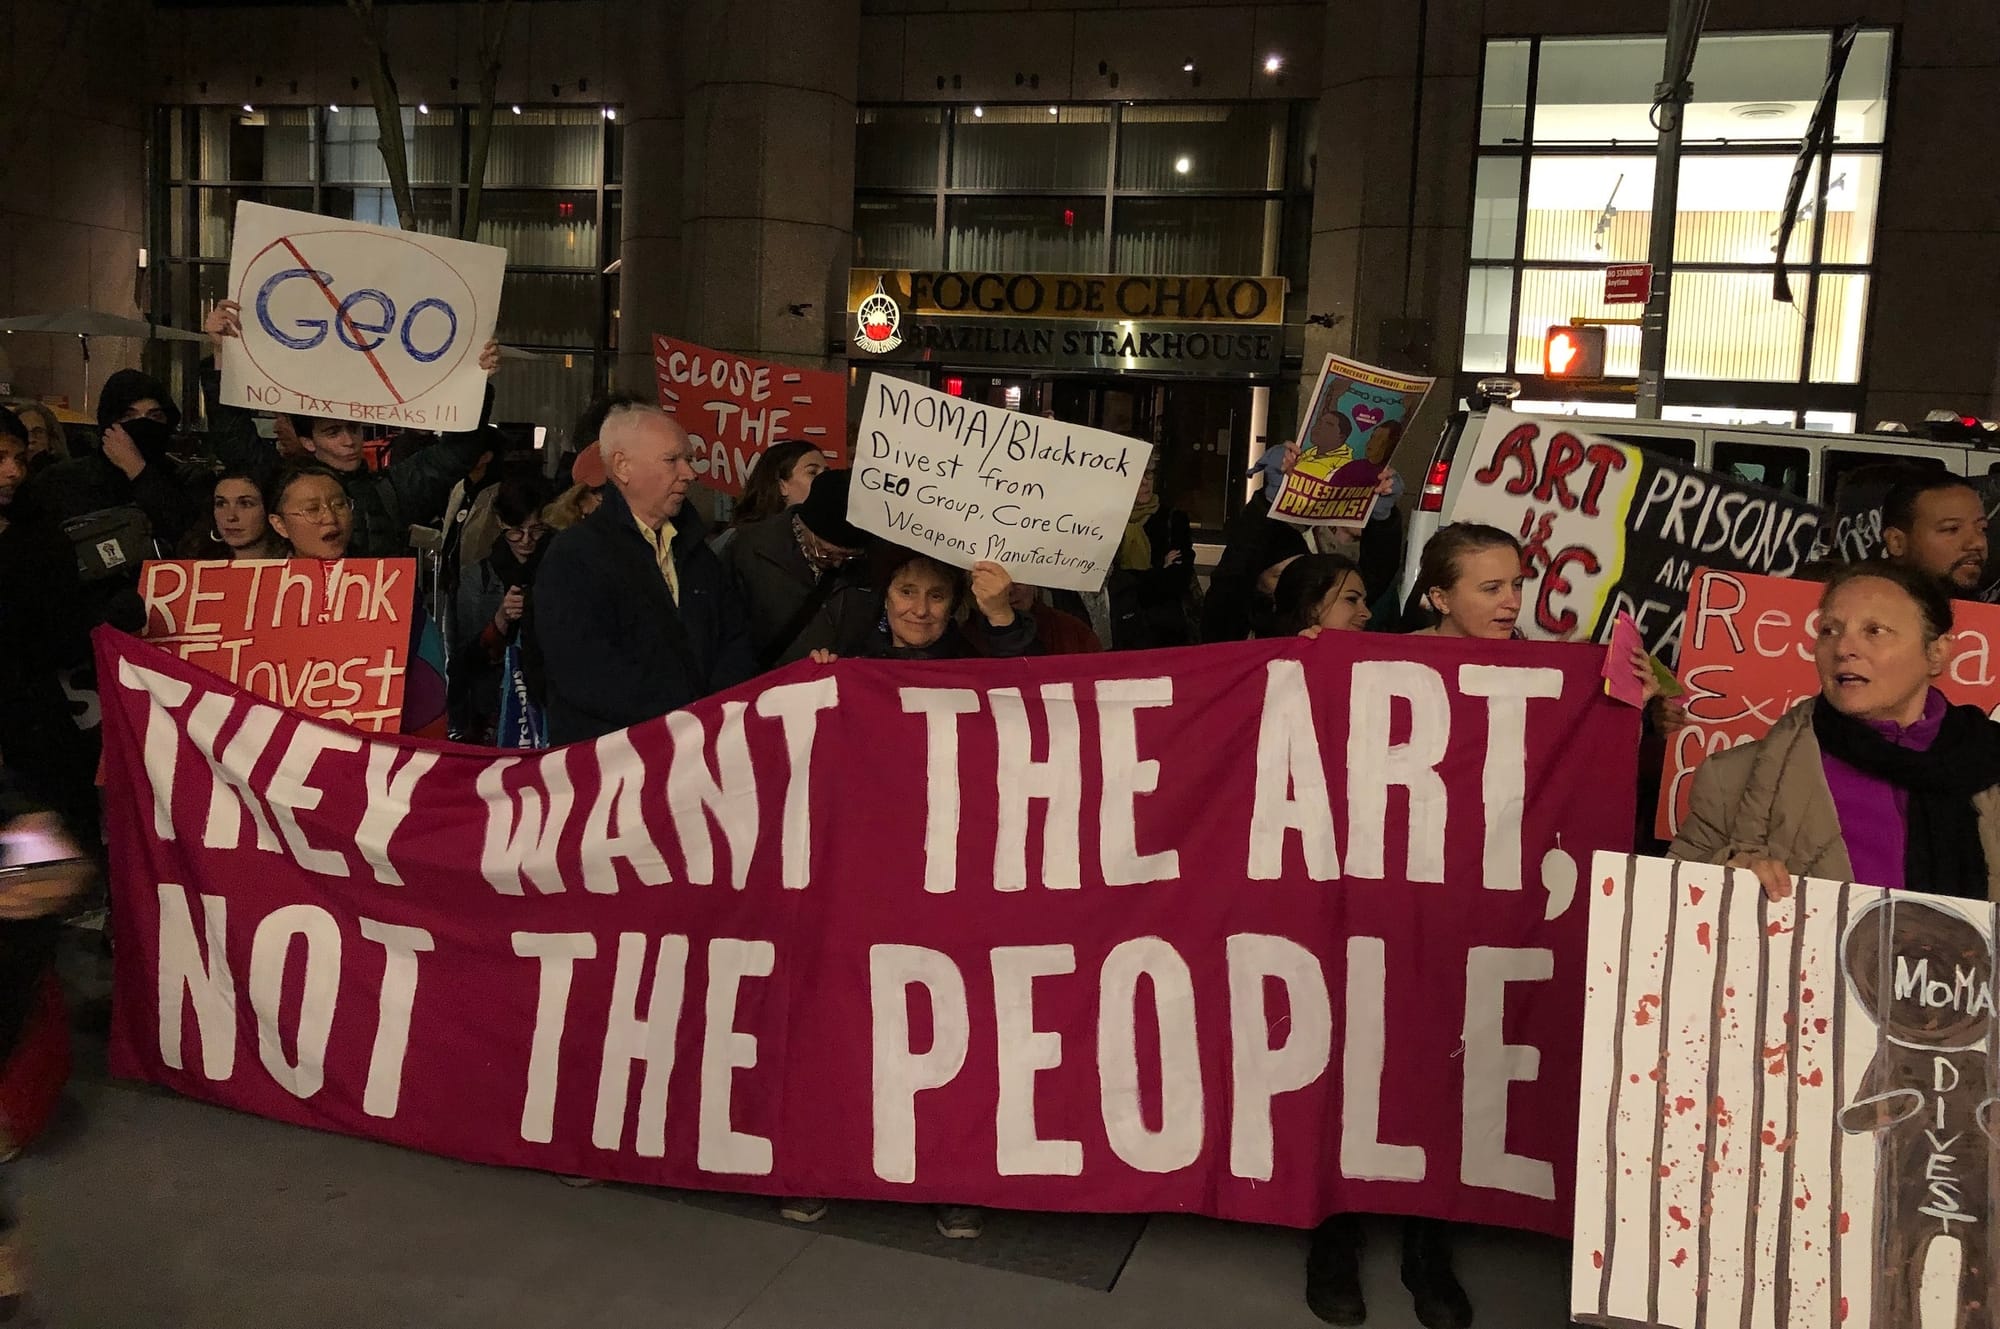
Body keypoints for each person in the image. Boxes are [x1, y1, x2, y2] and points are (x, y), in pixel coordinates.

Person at [1671, 561, 2000, 901]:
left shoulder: (1990, 764)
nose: (1843, 649)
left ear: (1936, 652)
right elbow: (1666, 902)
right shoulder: (1730, 781)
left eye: (1874, 631)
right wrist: (1722, 881)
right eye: (1829, 630)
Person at [201, 299, 501, 557]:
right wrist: (222, 355)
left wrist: (475, 383)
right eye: (333, 432)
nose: (349, 441)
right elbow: (233, 440)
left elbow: (458, 453)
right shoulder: (281, 482)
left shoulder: (393, 489)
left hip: (376, 605)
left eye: (354, 429)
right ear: (307, 441)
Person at [534, 403, 755, 746]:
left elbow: (734, 640)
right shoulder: (575, 554)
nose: (690, 473)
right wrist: (684, 715)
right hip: (615, 757)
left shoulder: (697, 553)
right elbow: (584, 669)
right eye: (672, 460)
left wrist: (713, 714)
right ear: (623, 467)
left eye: (688, 459)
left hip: (698, 749)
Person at [0, 409, 98, 845]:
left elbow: (63, 634)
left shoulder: (39, 534)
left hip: (31, 725)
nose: (13, 472)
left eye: (20, 458)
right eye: (1, 458)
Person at [24, 368, 200, 551]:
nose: (142, 423)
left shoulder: (187, 479)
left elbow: (188, 535)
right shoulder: (61, 481)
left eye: (154, 416)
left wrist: (138, 471)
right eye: (128, 416)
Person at [725, 467, 877, 669]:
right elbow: (727, 636)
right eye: (826, 552)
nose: (838, 563)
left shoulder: (872, 562)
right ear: (805, 527)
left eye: (848, 556)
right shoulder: (750, 551)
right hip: (770, 681)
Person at [450, 471, 555, 745]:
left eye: (536, 530)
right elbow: (464, 662)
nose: (526, 541)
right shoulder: (478, 578)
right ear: (500, 523)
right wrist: (500, 620)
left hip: (551, 705)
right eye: (515, 531)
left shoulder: (561, 568)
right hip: (493, 712)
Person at [862, 550, 1036, 660]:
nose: (921, 610)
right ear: (885, 597)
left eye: (936, 596)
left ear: (953, 605)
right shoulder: (855, 665)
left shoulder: (975, 666)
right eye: (907, 592)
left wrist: (1001, 616)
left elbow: (1022, 682)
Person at [1106, 461, 1196, 649]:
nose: (1145, 482)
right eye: (1137, 475)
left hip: (1165, 633)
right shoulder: (1108, 522)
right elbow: (1110, 583)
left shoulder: (1173, 519)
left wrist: (1136, 578)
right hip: (1121, 631)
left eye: (1149, 473)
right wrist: (1159, 570)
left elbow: (1176, 581)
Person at [1880, 472, 1989, 597]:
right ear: (1897, 542)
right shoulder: (1868, 605)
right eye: (1952, 529)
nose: (1978, 543)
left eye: (1982, 528)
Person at [1409, 522, 1524, 639]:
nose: (1514, 604)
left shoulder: (1527, 650)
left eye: (1517, 585)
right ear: (1441, 599)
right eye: (1492, 588)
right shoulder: (1402, 649)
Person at [175, 467, 287, 559]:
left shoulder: (292, 566)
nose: (231, 516)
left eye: (245, 504)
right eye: (221, 503)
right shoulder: (193, 565)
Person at [967, 581, 1103, 656]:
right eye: (991, 583)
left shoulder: (1074, 633)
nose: (1009, 590)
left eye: (1018, 579)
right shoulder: (964, 640)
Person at [264, 465, 356, 561]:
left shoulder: (367, 562)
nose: (330, 519)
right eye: (313, 509)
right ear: (280, 525)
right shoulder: (266, 570)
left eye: (339, 504)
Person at [1273, 553, 1372, 636]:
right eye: (1351, 599)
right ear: (1312, 607)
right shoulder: (1272, 653)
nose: (1367, 614)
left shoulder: (1372, 651)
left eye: (1364, 602)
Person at [8, 402, 69, 474]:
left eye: (38, 432)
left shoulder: (65, 474)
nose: (30, 439)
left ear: (51, 439)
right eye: (22, 432)